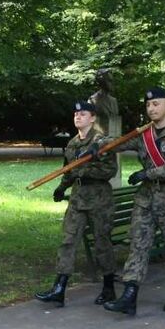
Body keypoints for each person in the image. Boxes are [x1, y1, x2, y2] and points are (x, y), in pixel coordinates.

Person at [103, 87, 165, 315]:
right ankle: (129, 296)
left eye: (156, 104)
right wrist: (100, 146)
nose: (151, 108)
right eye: (148, 105)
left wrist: (149, 174)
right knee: (138, 245)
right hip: (145, 200)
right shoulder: (144, 135)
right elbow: (118, 143)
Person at [36, 101, 118, 306]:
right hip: (78, 198)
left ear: (92, 118)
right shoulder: (72, 144)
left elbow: (110, 171)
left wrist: (84, 170)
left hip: (99, 198)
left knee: (102, 243)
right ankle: (59, 289)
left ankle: (109, 288)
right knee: (68, 241)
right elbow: (69, 170)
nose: (78, 117)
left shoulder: (102, 142)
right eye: (76, 114)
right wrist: (62, 187)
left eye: (82, 114)